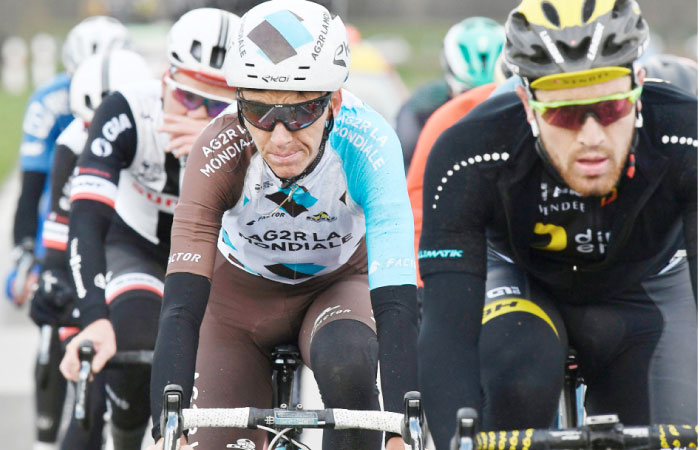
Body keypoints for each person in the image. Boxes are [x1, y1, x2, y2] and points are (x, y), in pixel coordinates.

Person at [417, 1, 697, 449]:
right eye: (564, 114)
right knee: (517, 381)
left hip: (646, 292)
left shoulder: (687, 134)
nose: (591, 137)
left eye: (609, 109)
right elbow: (448, 330)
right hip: (524, 288)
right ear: (526, 103)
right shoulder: (471, 150)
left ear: (638, 86)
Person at [146, 1, 418, 449]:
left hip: (337, 288)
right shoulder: (218, 146)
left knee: (347, 364)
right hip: (238, 301)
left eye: (299, 113)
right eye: (259, 112)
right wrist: (165, 423)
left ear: (333, 100)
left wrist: (402, 424)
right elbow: (180, 303)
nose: (280, 137)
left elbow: (397, 299)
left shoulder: (369, 142)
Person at [56, 8, 240, 450]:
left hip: (221, 254)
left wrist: (215, 149)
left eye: (217, 104)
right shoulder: (125, 110)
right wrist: (93, 318)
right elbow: (85, 217)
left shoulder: (249, 124)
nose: (200, 113)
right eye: (189, 98)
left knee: (227, 371)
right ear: (164, 81)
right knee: (132, 345)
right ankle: (126, 433)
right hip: (138, 246)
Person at [5, 16, 130, 450]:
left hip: (125, 222)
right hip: (61, 213)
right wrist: (26, 250)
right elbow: (31, 186)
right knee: (54, 317)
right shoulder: (50, 103)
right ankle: (45, 434)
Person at [30, 48, 153, 450]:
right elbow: (62, 228)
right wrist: (52, 280)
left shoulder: (161, 131)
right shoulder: (72, 142)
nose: (95, 133)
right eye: (87, 123)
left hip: (152, 252)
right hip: (104, 253)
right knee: (92, 380)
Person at [395, 17, 504, 171]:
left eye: (494, 98)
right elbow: (405, 171)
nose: (481, 112)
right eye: (467, 96)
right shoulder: (421, 109)